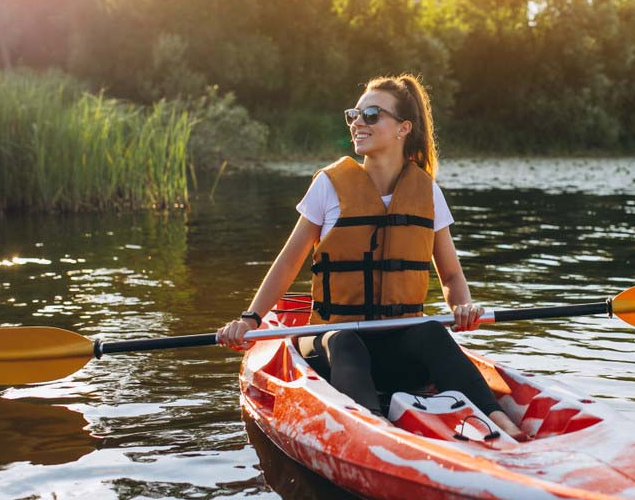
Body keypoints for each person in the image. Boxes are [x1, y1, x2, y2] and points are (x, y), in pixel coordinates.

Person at [217, 73, 527, 441]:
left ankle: (503, 425)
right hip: (329, 344)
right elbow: (287, 263)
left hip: (396, 349)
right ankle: (375, 433)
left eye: (371, 115)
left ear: (403, 128)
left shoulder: (426, 192)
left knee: (431, 332)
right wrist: (250, 319)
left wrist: (463, 307)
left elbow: (451, 276)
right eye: (354, 115)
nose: (357, 123)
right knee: (345, 340)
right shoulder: (328, 186)